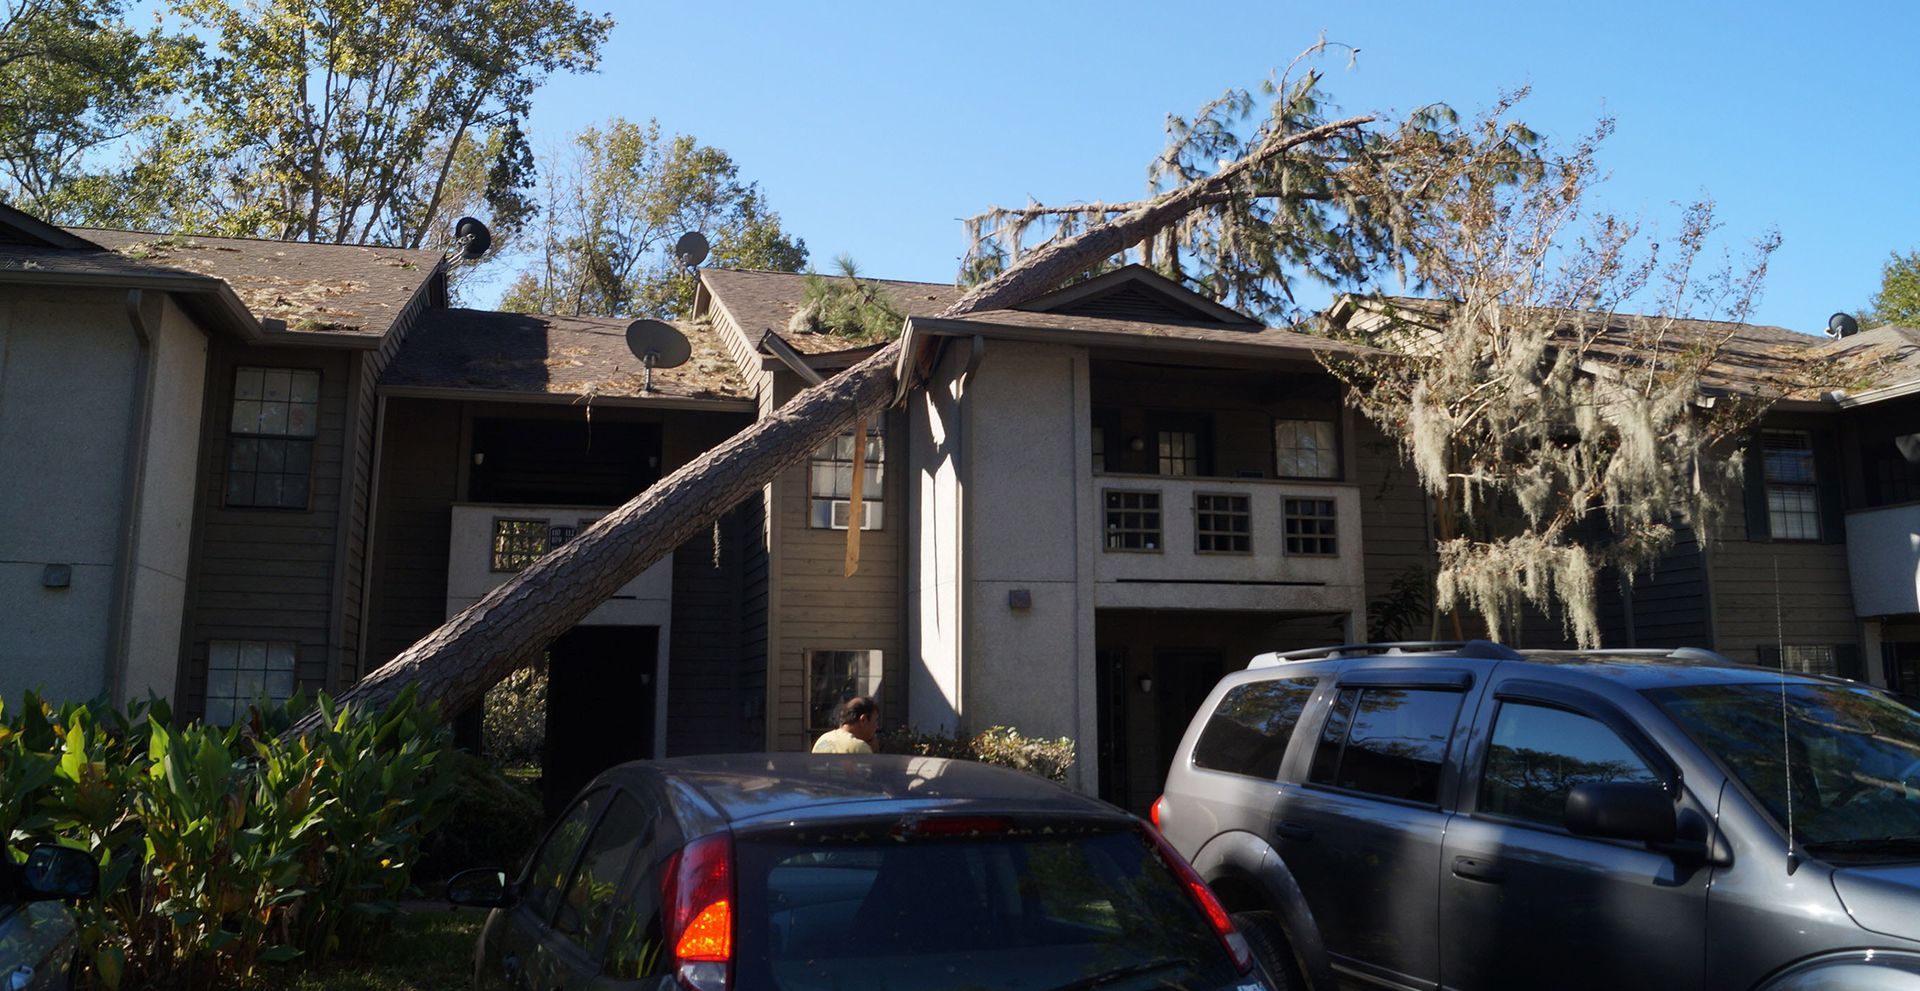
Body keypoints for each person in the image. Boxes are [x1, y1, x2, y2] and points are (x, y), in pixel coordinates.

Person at [811, 696, 879, 754]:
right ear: (863, 719)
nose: (876, 727)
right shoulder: (859, 747)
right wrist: (873, 751)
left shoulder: (823, 739)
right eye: (875, 720)